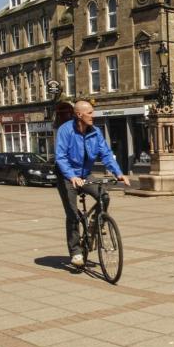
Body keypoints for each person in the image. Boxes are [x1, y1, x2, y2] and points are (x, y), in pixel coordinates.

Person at [55, 100, 130, 268]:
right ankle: (75, 252)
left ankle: (94, 226)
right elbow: (60, 156)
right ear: (79, 114)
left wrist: (118, 173)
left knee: (104, 195)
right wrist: (71, 176)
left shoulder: (95, 132)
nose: (93, 116)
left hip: (85, 174)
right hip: (66, 176)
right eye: (89, 113)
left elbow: (106, 154)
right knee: (73, 214)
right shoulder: (65, 130)